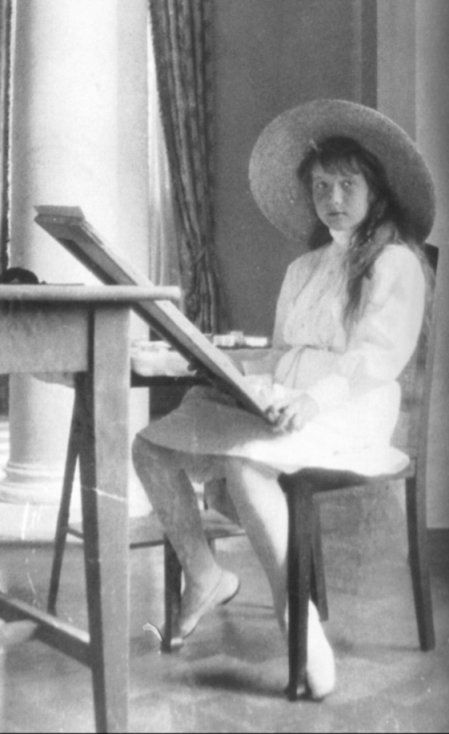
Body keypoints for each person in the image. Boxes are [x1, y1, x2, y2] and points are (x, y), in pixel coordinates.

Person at [132, 99, 435, 699]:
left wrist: (314, 401)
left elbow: (376, 358)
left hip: (352, 406)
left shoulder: (395, 262)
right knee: (151, 445)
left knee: (246, 467)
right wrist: (229, 376)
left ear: (376, 190)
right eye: (321, 186)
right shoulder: (304, 268)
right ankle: (205, 573)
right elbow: (280, 353)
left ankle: (297, 621)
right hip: (291, 398)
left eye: (347, 184)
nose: (332, 197)